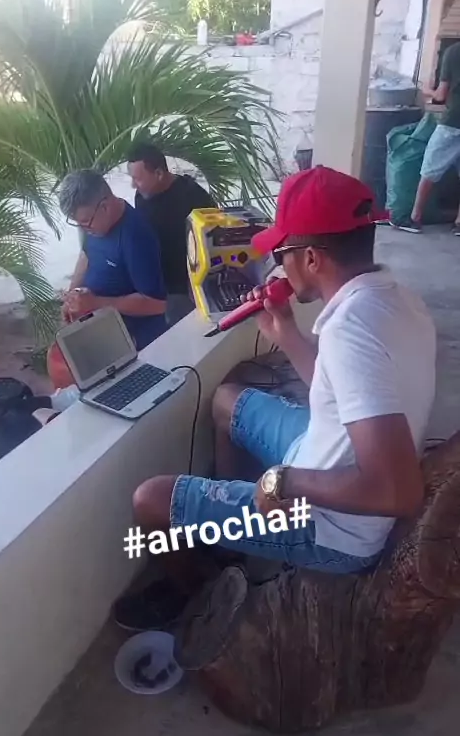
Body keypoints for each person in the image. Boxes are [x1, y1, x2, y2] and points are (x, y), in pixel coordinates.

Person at [115, 166, 436, 632]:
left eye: (281, 253)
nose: (277, 266)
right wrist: (284, 332)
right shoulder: (397, 300)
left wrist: (281, 482)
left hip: (334, 528)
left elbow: (397, 492)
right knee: (227, 401)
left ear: (311, 258)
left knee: (151, 500)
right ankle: (230, 542)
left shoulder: (350, 332)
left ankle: (198, 596)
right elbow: (341, 393)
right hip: (324, 451)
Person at [59, 170, 167, 351]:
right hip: (100, 324)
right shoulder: (96, 223)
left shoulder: (136, 237)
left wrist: (96, 303)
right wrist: (72, 296)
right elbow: (86, 254)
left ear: (105, 207)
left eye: (86, 222)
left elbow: (157, 304)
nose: (84, 229)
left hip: (131, 338)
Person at [127, 143, 216, 325]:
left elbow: (213, 243)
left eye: (137, 179)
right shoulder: (141, 196)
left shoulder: (194, 197)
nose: (133, 185)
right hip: (157, 286)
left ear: (159, 173)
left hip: (187, 289)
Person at [401, 41, 460, 233]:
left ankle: (414, 219)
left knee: (429, 169)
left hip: (453, 122)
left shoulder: (453, 52)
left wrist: (426, 90)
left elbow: (440, 95)